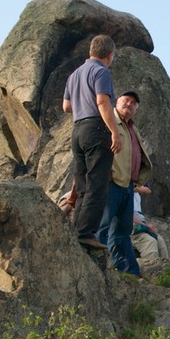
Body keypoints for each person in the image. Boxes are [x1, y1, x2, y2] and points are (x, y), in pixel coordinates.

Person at [62, 34, 123, 249]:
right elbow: (102, 101)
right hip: (96, 129)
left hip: (78, 130)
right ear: (109, 55)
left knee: (82, 185)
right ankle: (86, 233)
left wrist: (81, 102)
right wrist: (114, 131)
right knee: (97, 185)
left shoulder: (74, 75)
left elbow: (66, 107)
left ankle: (77, 231)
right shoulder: (101, 71)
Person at [97, 90, 152, 277]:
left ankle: (129, 273)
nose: (129, 104)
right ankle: (96, 268)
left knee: (122, 231)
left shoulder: (131, 128)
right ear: (116, 101)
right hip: (111, 182)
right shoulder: (109, 120)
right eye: (126, 100)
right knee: (102, 227)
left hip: (128, 185)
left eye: (133, 103)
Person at [131, 190, 169, 260]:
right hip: (130, 229)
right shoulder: (124, 192)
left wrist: (146, 226)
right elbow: (127, 215)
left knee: (160, 240)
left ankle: (166, 268)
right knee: (150, 241)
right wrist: (145, 226)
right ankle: (151, 268)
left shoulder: (135, 194)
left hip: (139, 225)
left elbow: (147, 190)